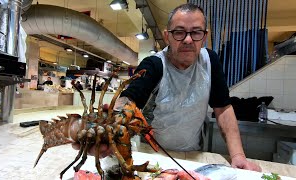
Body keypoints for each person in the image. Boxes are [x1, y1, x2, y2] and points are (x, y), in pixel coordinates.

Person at [74, 3, 261, 172]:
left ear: (204, 37)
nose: (188, 40)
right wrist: (108, 127)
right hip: (151, 154)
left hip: (192, 154)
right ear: (167, 36)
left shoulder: (210, 61)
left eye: (196, 32)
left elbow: (223, 108)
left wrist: (238, 156)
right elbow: (129, 99)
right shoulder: (154, 64)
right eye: (179, 32)